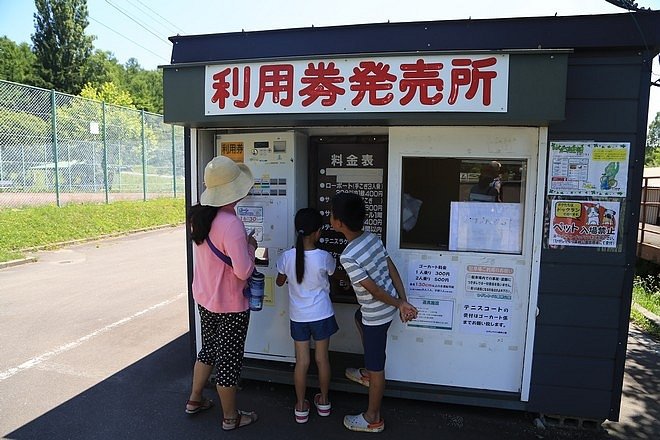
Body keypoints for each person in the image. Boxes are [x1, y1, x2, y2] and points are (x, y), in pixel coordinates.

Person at [329, 192, 418, 433]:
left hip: (377, 315)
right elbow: (392, 270)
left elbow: (375, 290)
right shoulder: (371, 238)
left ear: (339, 223)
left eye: (332, 214)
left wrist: (400, 304)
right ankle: (369, 371)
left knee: (377, 366)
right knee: (357, 317)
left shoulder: (348, 256)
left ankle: (372, 418)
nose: (330, 216)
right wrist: (402, 300)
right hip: (382, 310)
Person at [185, 155, 258, 431]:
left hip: (205, 299)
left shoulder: (199, 217)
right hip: (230, 305)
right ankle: (231, 417)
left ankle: (195, 398)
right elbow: (243, 271)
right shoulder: (232, 225)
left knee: (209, 349)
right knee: (228, 360)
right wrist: (251, 247)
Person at [276, 208, 338, 424]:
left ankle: (301, 406)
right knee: (322, 360)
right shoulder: (324, 257)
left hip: (298, 317)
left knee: (302, 362)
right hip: (322, 314)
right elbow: (332, 273)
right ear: (318, 232)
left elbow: (279, 281)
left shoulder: (286, 257)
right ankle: (324, 402)